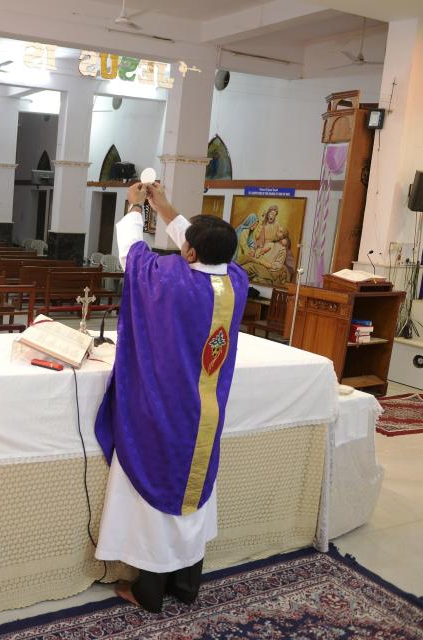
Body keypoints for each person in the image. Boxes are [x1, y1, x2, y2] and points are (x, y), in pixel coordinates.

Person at [94, 181, 248, 613]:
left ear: (190, 253)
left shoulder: (169, 281)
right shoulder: (236, 280)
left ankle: (148, 590)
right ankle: (186, 585)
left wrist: (134, 208)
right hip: (208, 413)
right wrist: (164, 209)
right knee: (193, 494)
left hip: (164, 410)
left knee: (157, 497)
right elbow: (202, 250)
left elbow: (132, 252)